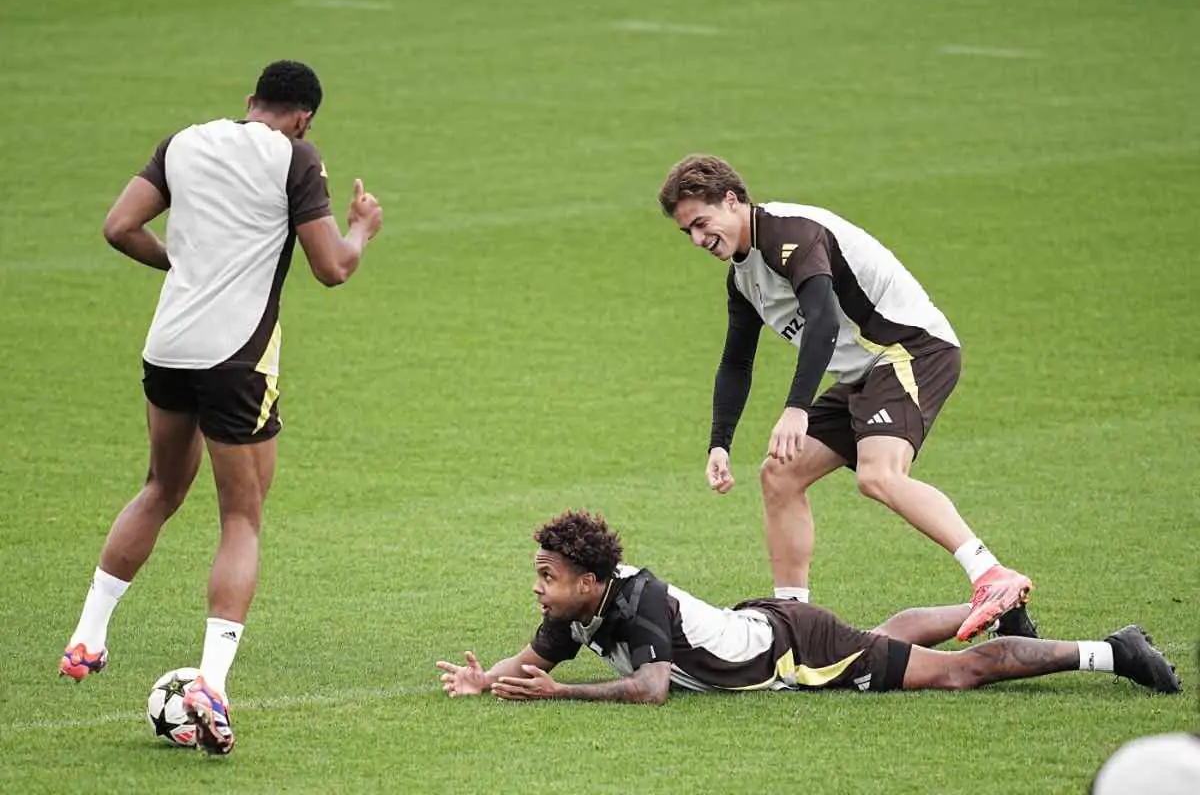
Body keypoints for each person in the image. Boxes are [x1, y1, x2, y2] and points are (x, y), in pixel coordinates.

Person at [58, 60, 384, 755]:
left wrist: (181, 265)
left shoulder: (183, 141)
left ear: (250, 101)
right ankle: (210, 681)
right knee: (241, 516)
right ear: (304, 118)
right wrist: (362, 229)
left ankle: (88, 637)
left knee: (160, 487)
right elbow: (331, 267)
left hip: (168, 348)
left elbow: (119, 227)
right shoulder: (297, 158)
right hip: (237, 358)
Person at [656, 153, 1033, 643]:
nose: (697, 240)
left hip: (910, 350)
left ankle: (991, 575)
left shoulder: (791, 235)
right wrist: (719, 442)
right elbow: (736, 363)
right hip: (865, 372)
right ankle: (794, 623)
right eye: (687, 231)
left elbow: (824, 322)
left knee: (879, 474)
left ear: (731, 200)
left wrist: (796, 408)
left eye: (701, 224)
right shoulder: (743, 277)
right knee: (780, 474)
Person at [436, 511, 1180, 704]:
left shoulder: (638, 603)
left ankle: (1113, 651)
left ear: (590, 580)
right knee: (880, 639)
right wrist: (485, 679)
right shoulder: (574, 611)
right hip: (774, 628)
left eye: (548, 576)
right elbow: (529, 662)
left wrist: (561, 693)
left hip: (797, 651)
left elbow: (651, 689)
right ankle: (990, 603)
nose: (538, 588)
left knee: (956, 674)